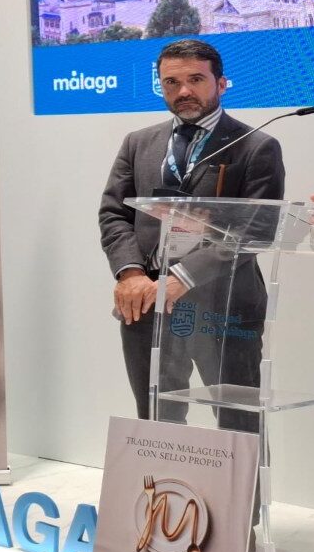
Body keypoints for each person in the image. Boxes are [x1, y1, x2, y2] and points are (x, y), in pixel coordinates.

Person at [99, 38, 284, 428]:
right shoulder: (138, 143)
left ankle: (240, 477)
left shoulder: (256, 146)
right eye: (171, 82)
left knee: (238, 426)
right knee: (157, 421)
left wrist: (183, 277)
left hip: (224, 304)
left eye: (196, 79)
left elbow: (257, 229)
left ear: (221, 83)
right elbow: (114, 214)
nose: (183, 91)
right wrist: (130, 274)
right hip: (146, 301)